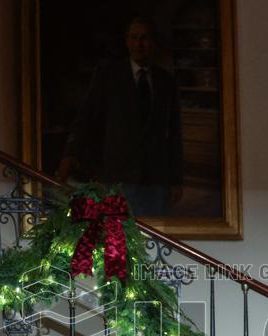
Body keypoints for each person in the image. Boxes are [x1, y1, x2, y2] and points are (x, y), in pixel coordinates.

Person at [57, 16, 183, 217]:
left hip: (155, 177)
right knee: (117, 234)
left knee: (154, 234)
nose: (139, 44)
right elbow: (86, 118)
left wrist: (176, 179)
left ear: (153, 42)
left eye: (144, 38)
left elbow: (174, 133)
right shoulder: (108, 76)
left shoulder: (166, 81)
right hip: (118, 174)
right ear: (127, 41)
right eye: (133, 38)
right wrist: (70, 155)